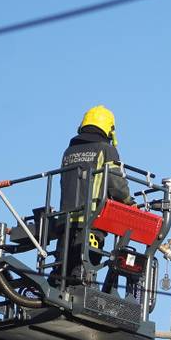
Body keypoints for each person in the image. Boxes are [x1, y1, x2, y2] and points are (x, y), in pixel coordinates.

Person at [53, 105, 133, 285]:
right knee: (84, 273)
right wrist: (129, 202)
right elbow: (116, 183)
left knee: (61, 273)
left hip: (66, 222)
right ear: (109, 128)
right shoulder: (106, 149)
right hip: (92, 222)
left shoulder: (69, 151)